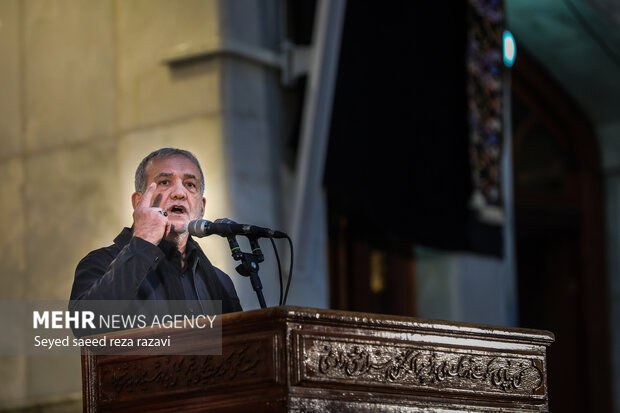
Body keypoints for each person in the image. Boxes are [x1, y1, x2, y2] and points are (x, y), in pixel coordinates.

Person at [69, 148, 242, 321]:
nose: (179, 193)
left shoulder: (220, 282)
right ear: (139, 202)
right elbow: (85, 323)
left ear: (202, 208)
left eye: (190, 184)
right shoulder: (101, 263)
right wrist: (144, 241)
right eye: (165, 182)